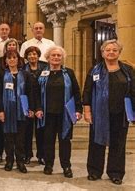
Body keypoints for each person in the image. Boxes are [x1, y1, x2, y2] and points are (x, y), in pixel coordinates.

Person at [83, 40, 134, 185]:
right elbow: (87, 91)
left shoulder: (128, 70)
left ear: (119, 52)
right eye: (108, 50)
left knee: (118, 144)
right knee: (96, 142)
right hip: (99, 113)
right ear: (102, 52)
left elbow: (133, 91)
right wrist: (87, 111)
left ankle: (115, 173)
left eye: (114, 50)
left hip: (120, 113)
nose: (111, 52)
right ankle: (94, 171)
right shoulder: (94, 70)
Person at [35, 46, 81, 178]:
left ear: (62, 58)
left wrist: (78, 109)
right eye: (53, 55)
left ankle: (66, 166)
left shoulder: (69, 73)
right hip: (47, 114)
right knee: (48, 140)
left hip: (65, 114)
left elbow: (76, 92)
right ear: (48, 58)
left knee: (65, 141)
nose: (56, 58)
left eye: (58, 56)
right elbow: (36, 93)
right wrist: (38, 108)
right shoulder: (41, 73)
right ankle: (48, 165)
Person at [0, 50, 34, 173]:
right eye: (9, 58)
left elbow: (30, 93)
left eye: (14, 57)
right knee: (8, 138)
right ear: (6, 61)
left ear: (18, 60)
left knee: (20, 139)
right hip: (7, 111)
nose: (12, 60)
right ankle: (9, 161)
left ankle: (20, 162)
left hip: (22, 111)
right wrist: (0, 111)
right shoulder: (2, 75)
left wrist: (30, 109)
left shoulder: (26, 75)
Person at [22, 46, 47, 165]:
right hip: (27, 103)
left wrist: (39, 108)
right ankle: (27, 154)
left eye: (35, 54)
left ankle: (41, 155)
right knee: (27, 132)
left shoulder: (45, 68)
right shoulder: (22, 69)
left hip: (42, 103)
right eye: (30, 54)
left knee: (41, 132)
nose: (32, 56)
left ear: (38, 55)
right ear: (26, 56)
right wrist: (28, 108)